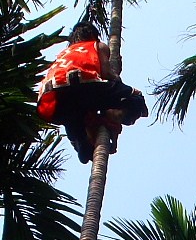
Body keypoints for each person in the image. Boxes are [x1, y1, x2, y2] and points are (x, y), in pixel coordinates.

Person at [37, 22, 148, 163]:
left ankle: (82, 142)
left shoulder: (63, 54)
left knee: (77, 123)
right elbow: (107, 74)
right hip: (81, 84)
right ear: (93, 35)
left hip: (51, 102)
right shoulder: (97, 45)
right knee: (136, 98)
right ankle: (118, 114)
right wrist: (118, 79)